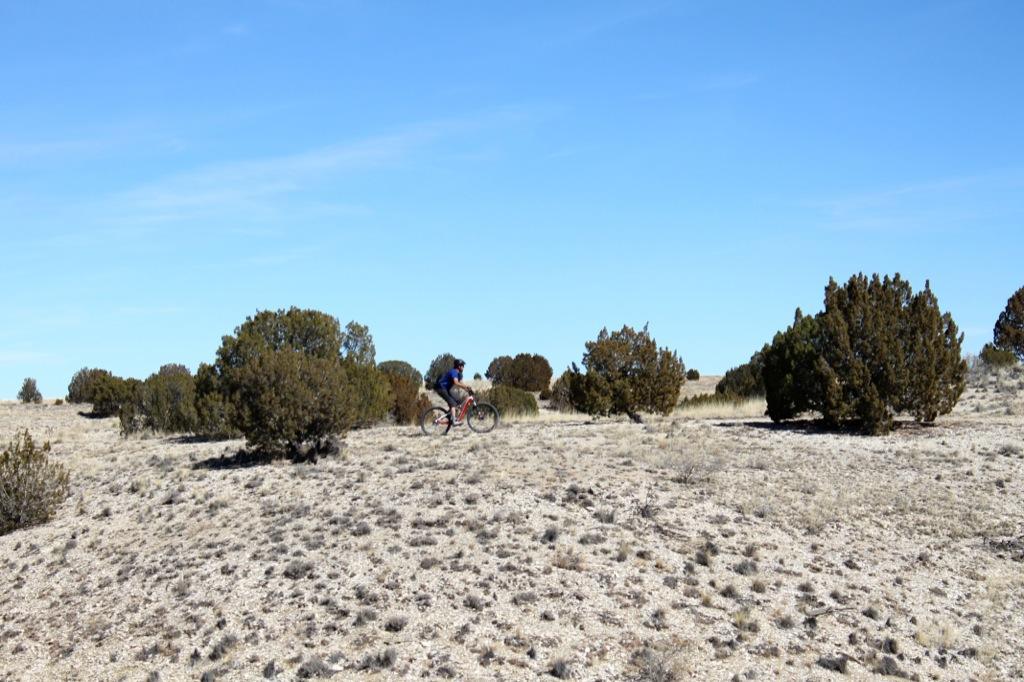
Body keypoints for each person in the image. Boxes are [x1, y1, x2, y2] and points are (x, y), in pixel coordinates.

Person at [434, 358, 474, 425]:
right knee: (453, 404)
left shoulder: (459, 374)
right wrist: (466, 387)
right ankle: (454, 422)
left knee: (456, 404)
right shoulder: (454, 372)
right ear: (459, 366)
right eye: (462, 366)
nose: (463, 367)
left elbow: (461, 383)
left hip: (445, 389)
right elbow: (456, 382)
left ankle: (445, 420)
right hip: (441, 388)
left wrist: (467, 389)